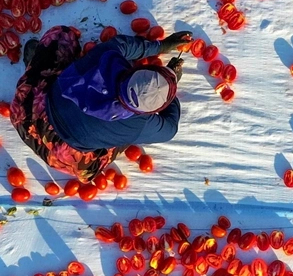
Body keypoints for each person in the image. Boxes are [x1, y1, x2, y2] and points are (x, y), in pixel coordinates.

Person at [10, 26, 192, 183]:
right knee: (118, 142)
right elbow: (170, 129)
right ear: (152, 111)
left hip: (28, 115)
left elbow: (125, 45)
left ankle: (35, 64)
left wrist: (162, 46)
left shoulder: (106, 58)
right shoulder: (139, 124)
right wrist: (172, 88)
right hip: (62, 155)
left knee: (61, 35)